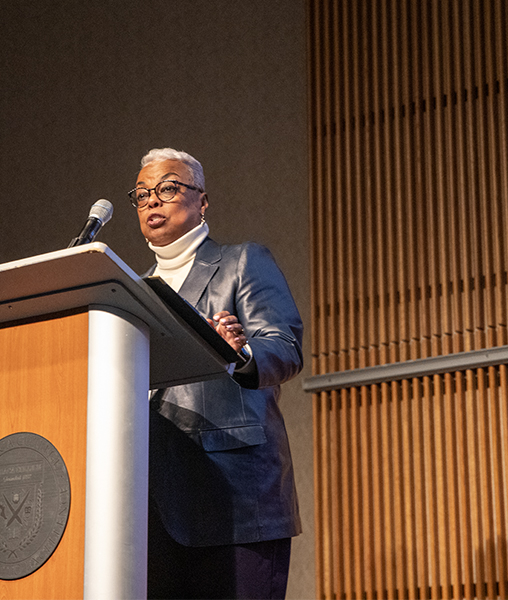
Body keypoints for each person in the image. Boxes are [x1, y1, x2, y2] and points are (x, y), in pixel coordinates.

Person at [128, 148, 303, 599]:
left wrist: (239, 353)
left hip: (234, 500)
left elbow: (283, 348)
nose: (153, 201)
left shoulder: (242, 261)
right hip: (153, 509)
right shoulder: (132, 293)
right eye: (143, 193)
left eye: (168, 188)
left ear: (202, 202)